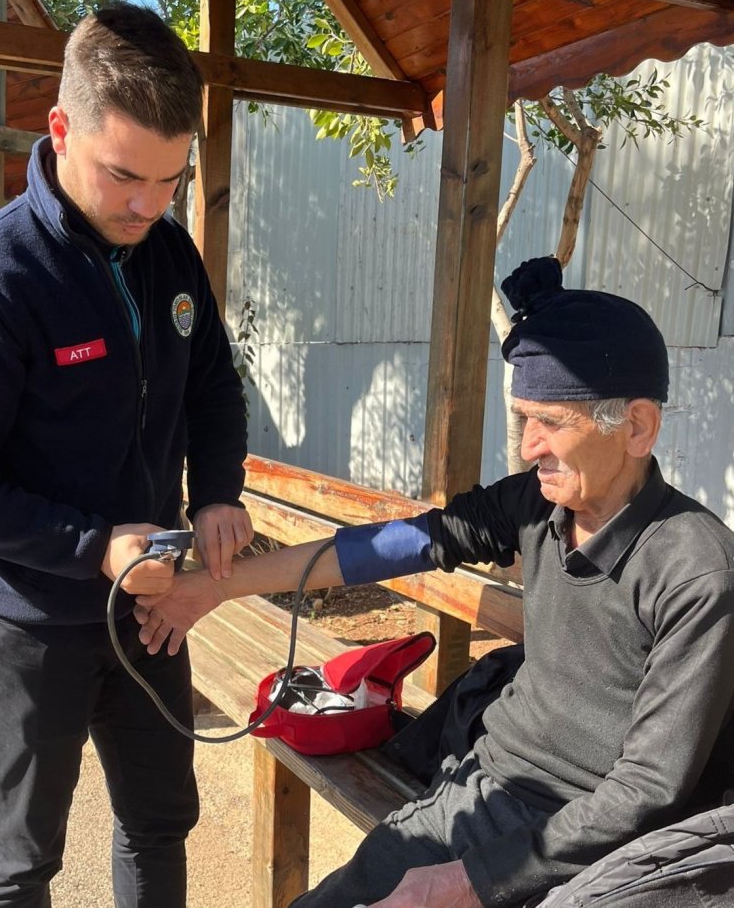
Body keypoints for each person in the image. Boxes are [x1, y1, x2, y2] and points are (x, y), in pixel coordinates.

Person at [135, 256, 734, 908]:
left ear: (638, 426)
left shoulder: (696, 571)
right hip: (482, 787)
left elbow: (647, 790)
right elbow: (399, 546)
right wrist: (218, 587)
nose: (529, 445)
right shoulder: (539, 506)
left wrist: (467, 883)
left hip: (590, 844)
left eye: (552, 423)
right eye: (525, 416)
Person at [0, 3, 253, 908]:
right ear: (60, 130)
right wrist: (94, 546)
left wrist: (217, 492)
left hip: (152, 608)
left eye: (171, 181)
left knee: (160, 822)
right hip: (31, 617)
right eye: (126, 176)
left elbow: (213, 387)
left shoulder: (171, 255)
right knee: (23, 856)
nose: (149, 205)